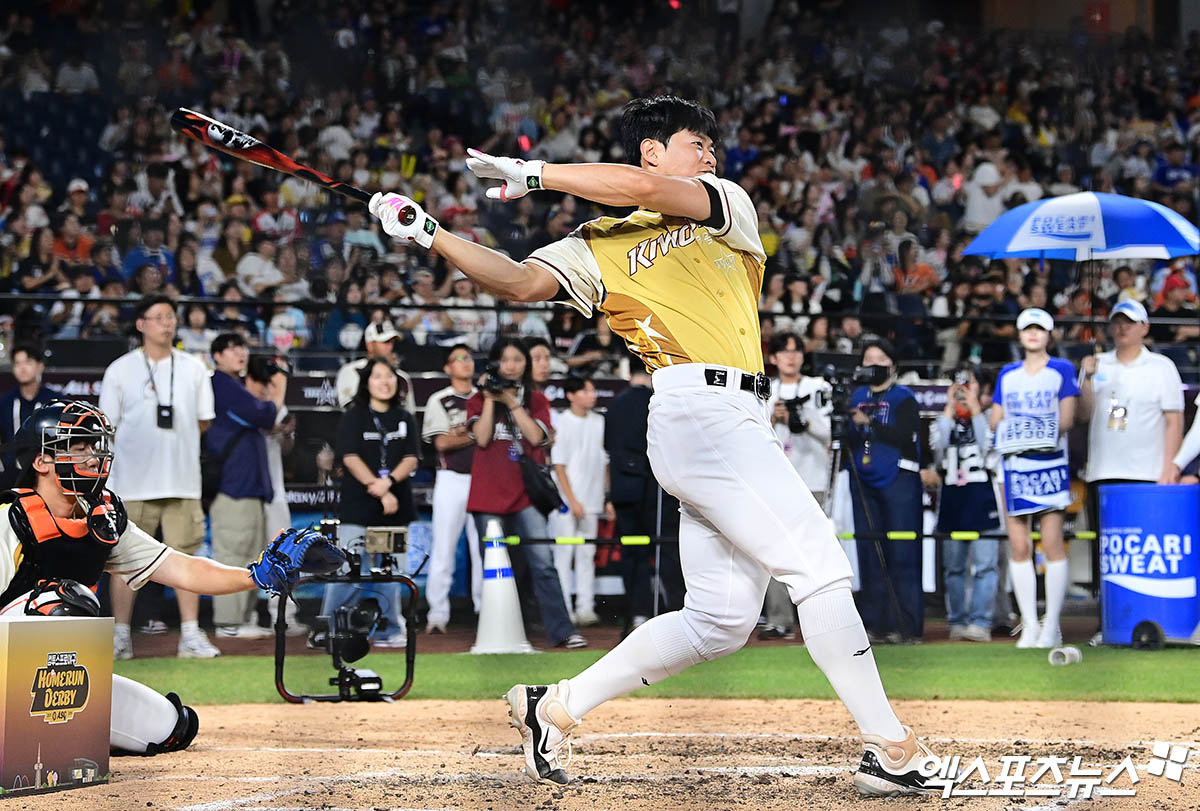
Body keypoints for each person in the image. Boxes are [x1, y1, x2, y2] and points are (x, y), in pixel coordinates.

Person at [372, 95, 934, 795]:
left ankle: (555, 708)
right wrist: (430, 233)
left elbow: (643, 191)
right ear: (650, 148)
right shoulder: (594, 245)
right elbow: (518, 280)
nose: (710, 155)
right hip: (697, 408)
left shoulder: (724, 203)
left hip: (736, 417)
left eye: (710, 147)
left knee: (720, 620)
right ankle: (891, 746)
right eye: (696, 143)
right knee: (818, 567)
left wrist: (539, 173)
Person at [0, 400, 274, 755]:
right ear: (41, 462)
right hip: (7, 669)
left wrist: (258, 575)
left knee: (172, 728)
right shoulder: (10, 520)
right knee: (60, 604)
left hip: (61, 680)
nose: (92, 457)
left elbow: (182, 568)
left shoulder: (101, 518)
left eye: (94, 447)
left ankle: (56, 732)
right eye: (78, 447)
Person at [99, 295, 220, 660]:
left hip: (182, 480)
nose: (166, 323)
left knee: (187, 558)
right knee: (124, 561)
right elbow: (107, 427)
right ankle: (120, 635)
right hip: (132, 482)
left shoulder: (194, 367)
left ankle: (190, 634)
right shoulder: (120, 370)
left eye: (171, 317)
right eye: (158, 317)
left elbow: (204, 421)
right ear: (141, 324)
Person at [465, 337, 585, 649]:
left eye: (518, 359)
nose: (511, 365)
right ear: (495, 363)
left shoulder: (537, 400)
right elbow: (480, 439)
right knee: (494, 564)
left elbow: (535, 437)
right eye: (505, 360)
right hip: (488, 493)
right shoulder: (478, 400)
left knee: (543, 561)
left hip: (526, 494)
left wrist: (512, 401)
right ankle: (497, 631)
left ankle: (562, 631)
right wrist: (491, 398)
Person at [991, 308, 1079, 649]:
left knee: (1053, 543)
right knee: (1018, 545)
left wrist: (1027, 429)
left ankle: (1051, 624)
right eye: (1027, 328)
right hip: (1015, 465)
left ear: (1049, 335)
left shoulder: (1061, 369)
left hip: (1050, 462)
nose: (1033, 334)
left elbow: (1067, 419)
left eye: (1039, 329)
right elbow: (997, 419)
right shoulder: (1008, 374)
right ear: (1018, 333)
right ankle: (1029, 624)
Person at [1081, 300, 1185, 587]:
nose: (1122, 326)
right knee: (1104, 551)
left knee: (1145, 548)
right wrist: (1087, 379)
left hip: (1147, 473)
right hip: (1102, 472)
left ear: (1145, 327)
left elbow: (1174, 420)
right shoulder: (1097, 364)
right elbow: (1083, 413)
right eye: (1117, 320)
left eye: (1129, 321)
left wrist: (1170, 466)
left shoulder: (1161, 366)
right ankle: (1105, 621)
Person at [320, 358, 418, 648]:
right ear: (366, 382)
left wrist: (388, 484)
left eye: (390, 376)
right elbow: (349, 457)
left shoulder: (405, 417)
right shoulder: (354, 416)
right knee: (350, 567)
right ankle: (328, 627)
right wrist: (378, 488)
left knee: (391, 570)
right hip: (358, 505)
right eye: (377, 376)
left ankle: (388, 629)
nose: (385, 381)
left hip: (395, 506)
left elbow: (412, 458)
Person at [844, 338, 925, 644]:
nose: (874, 364)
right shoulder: (857, 396)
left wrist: (870, 423)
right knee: (869, 553)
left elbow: (906, 435)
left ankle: (908, 626)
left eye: (880, 358)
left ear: (892, 364)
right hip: (863, 480)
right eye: (869, 359)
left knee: (902, 553)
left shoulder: (904, 397)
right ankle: (876, 624)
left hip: (898, 479)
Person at [206, 332, 286, 639]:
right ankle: (228, 623)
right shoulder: (220, 384)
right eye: (231, 349)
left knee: (252, 556)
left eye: (242, 347)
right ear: (217, 356)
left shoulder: (236, 385)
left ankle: (242, 620)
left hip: (249, 487)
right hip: (232, 486)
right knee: (232, 556)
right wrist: (278, 393)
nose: (240, 353)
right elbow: (262, 414)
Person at [760, 333, 832, 640]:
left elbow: (831, 435)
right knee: (774, 553)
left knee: (815, 552)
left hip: (813, 478)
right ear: (773, 357)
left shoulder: (818, 388)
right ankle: (779, 619)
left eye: (796, 351)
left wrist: (803, 420)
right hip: (775, 482)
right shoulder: (764, 390)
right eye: (784, 351)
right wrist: (774, 420)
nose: (791, 356)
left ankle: (822, 622)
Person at [604, 369, 683, 633]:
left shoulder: (615, 404)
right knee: (667, 550)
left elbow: (608, 447)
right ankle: (676, 611)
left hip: (624, 489)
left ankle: (638, 613)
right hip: (655, 489)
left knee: (632, 553)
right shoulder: (657, 401)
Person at [931, 367, 1000, 642]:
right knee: (954, 567)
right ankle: (957, 621)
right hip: (952, 501)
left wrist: (974, 409)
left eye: (968, 385)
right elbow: (938, 448)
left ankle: (981, 622)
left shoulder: (987, 418)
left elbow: (988, 447)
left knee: (985, 565)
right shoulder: (943, 420)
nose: (962, 390)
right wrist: (949, 408)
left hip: (983, 500)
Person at [420, 344, 482, 634]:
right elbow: (441, 443)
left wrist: (461, 432)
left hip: (483, 479)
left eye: (468, 357)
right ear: (448, 367)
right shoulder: (440, 399)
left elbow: (491, 436)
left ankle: (487, 610)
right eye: (458, 358)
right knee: (443, 548)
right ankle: (437, 614)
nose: (465, 362)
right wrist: (474, 432)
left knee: (484, 549)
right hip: (451, 478)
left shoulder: (484, 397)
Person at [244, 353, 306, 636]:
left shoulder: (276, 403)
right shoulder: (245, 400)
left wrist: (287, 434)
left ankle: (284, 617)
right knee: (243, 555)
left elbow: (285, 449)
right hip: (245, 489)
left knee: (282, 555)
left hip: (275, 489)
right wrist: (279, 391)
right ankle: (242, 619)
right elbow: (263, 423)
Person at [549, 377, 613, 627]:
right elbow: (559, 465)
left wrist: (608, 497)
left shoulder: (601, 422)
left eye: (593, 390)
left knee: (588, 554)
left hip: (593, 499)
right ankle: (564, 608)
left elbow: (604, 462)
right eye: (586, 391)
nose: (592, 394)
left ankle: (586, 607)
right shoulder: (562, 422)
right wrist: (571, 499)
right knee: (563, 555)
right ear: (571, 395)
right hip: (568, 502)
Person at [0, 344, 57, 490]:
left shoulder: (55, 402)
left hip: (47, 476)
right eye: (18, 363)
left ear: (40, 366)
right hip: (10, 477)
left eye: (28, 362)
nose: (23, 368)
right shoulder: (5, 402)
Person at [334, 319, 417, 414]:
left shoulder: (402, 377)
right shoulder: (351, 371)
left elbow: (410, 416)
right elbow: (351, 409)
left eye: (392, 342)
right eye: (385, 342)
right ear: (370, 345)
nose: (390, 347)